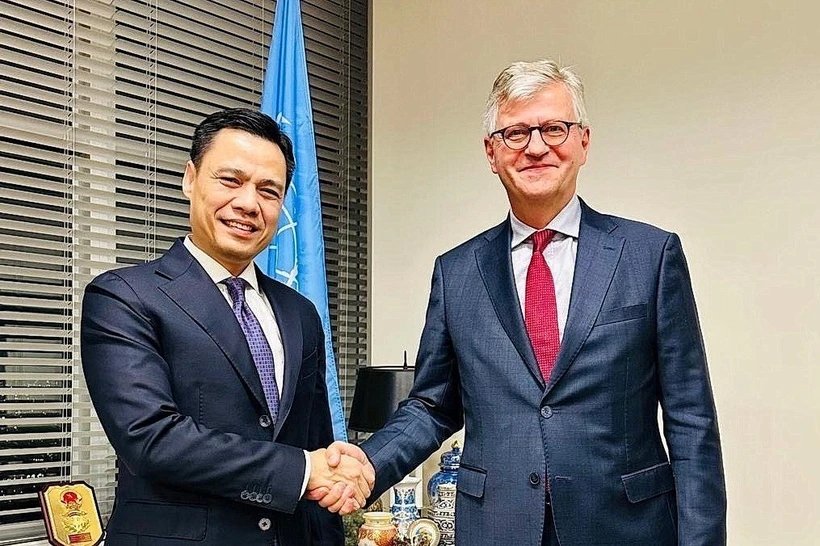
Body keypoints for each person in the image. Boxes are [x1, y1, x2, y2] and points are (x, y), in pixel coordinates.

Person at [323, 60, 726, 544]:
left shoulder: (650, 256)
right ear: (491, 153)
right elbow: (432, 405)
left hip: (626, 528)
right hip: (498, 527)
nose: (536, 147)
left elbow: (691, 420)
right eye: (515, 133)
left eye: (554, 128)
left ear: (583, 142)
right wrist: (369, 463)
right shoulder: (457, 272)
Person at [81, 108, 373, 546]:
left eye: (269, 191)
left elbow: (317, 448)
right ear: (190, 179)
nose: (249, 204)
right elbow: (150, 439)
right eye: (231, 180)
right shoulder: (124, 296)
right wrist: (301, 470)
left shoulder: (299, 312)